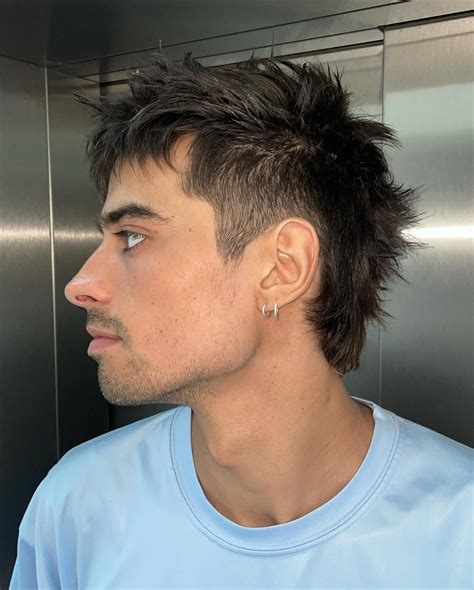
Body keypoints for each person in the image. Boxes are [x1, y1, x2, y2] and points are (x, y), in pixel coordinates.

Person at [10, 53, 472, 589]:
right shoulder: (79, 503)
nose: (80, 284)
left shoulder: (458, 532)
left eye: (133, 236)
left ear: (281, 267)